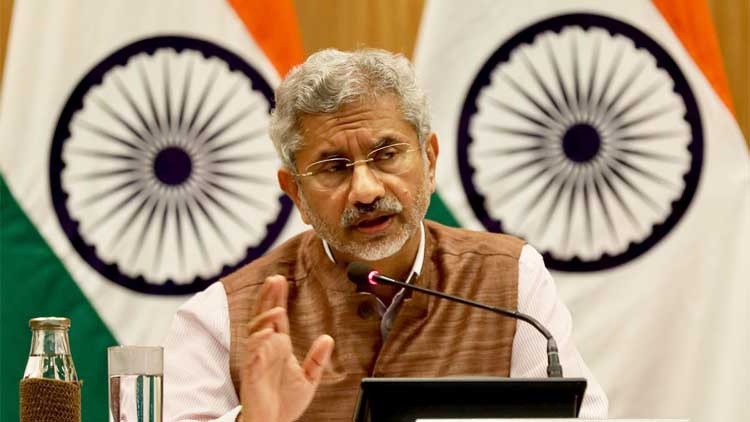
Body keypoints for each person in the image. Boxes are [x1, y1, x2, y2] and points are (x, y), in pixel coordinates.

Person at [163, 48, 609, 422]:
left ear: (430, 160)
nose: (366, 190)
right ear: (295, 191)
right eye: (333, 168)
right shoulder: (222, 316)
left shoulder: (511, 280)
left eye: (386, 155)